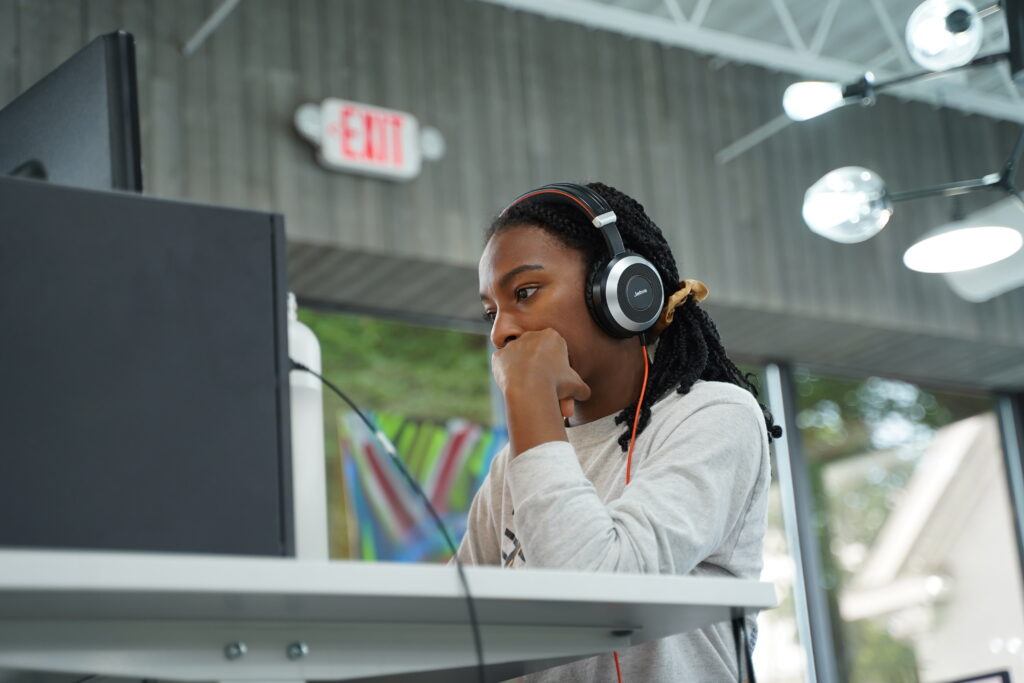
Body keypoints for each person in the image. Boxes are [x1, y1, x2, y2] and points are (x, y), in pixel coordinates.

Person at [457, 181, 783, 682]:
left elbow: (597, 596)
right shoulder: (515, 466)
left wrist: (530, 399)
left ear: (623, 291)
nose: (500, 331)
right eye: (490, 313)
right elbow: (456, 636)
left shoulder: (714, 416)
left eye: (524, 293)